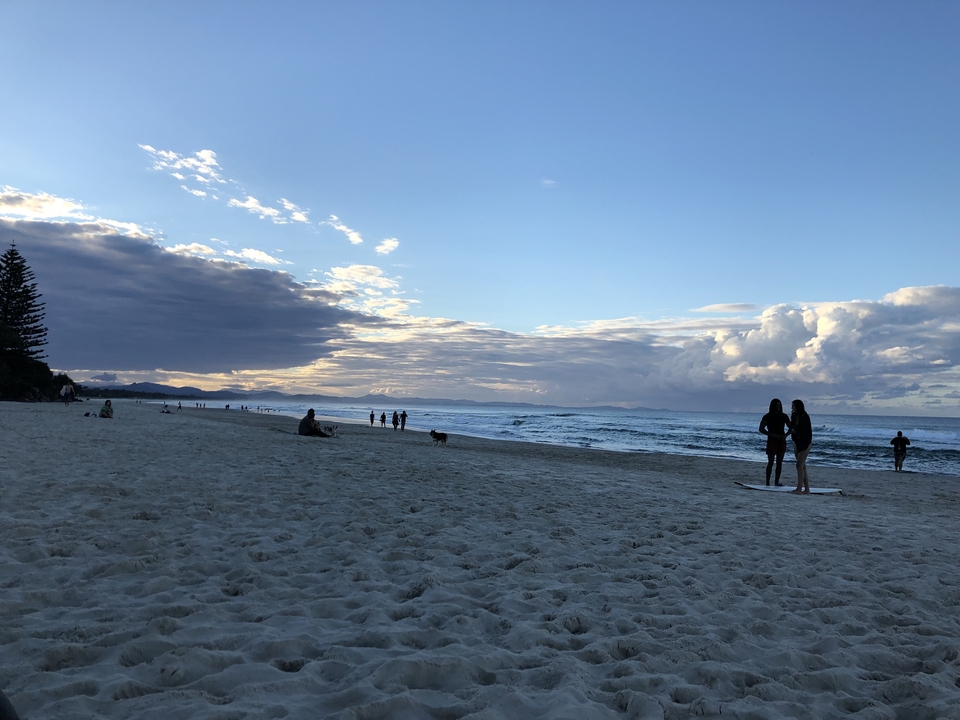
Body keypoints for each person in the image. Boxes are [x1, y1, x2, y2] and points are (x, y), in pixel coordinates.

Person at [759, 398, 791, 486]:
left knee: (779, 462)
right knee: (771, 462)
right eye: (776, 406)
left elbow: (791, 427)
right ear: (772, 406)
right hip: (772, 440)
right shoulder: (767, 416)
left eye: (779, 406)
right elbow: (761, 429)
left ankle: (776, 482)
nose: (778, 407)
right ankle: (767, 482)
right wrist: (771, 435)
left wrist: (786, 435)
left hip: (781, 440)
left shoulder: (784, 416)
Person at [790, 399, 812, 494]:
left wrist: (796, 430)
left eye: (793, 406)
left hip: (806, 442)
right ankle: (806, 489)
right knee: (802, 466)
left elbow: (806, 431)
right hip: (797, 442)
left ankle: (799, 488)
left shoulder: (805, 417)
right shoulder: (794, 416)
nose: (792, 408)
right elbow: (792, 425)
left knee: (799, 464)